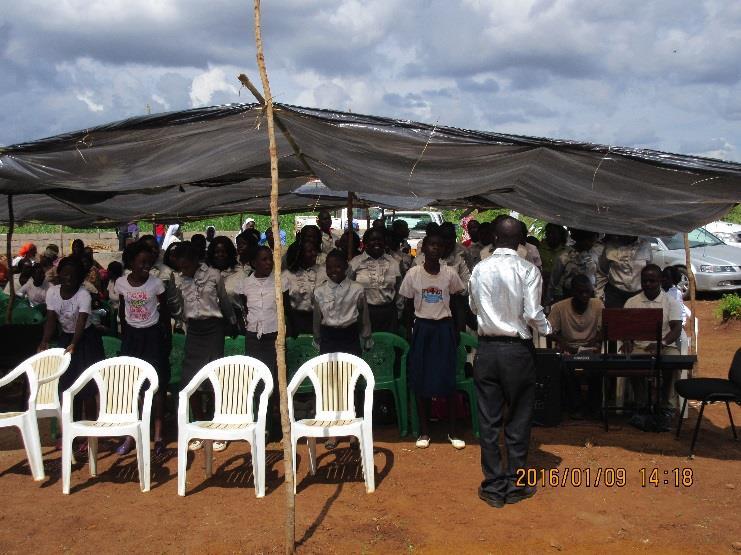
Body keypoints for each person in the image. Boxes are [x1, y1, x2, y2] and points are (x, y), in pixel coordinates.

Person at [469, 216, 551, 507]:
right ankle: (516, 484)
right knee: (519, 417)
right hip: (517, 351)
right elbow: (532, 313)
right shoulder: (528, 269)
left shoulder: (479, 269)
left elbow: (473, 306)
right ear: (521, 241)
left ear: (493, 237)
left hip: (487, 350)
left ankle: (493, 487)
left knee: (488, 420)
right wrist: (549, 329)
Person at [400, 230, 466, 451]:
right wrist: (411, 332)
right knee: (421, 378)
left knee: (447, 378)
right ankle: (424, 430)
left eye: (439, 245)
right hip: (423, 329)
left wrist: (457, 330)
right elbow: (408, 306)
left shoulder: (450, 274)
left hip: (444, 328)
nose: (435, 249)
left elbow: (457, 304)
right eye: (431, 245)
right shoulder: (413, 274)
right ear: (423, 249)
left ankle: (453, 430)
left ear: (444, 250)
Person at [172, 242, 236, 452]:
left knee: (215, 379)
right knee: (189, 381)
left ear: (194, 261)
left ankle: (219, 427)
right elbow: (180, 305)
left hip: (213, 329)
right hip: (194, 331)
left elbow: (224, 301)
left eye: (185, 265)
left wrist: (232, 321)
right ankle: (199, 425)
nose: (183, 270)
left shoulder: (214, 275)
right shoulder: (179, 278)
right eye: (179, 266)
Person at [39, 257, 105, 450]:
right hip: (66, 338)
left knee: (87, 388)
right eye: (65, 274)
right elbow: (51, 319)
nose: (69, 278)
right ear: (59, 274)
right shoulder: (52, 292)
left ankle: (90, 432)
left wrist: (75, 344)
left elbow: (81, 321)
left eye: (74, 275)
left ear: (80, 278)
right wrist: (44, 340)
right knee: (68, 386)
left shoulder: (83, 294)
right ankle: (71, 430)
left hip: (86, 339)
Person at [115, 241, 170, 456]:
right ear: (131, 263)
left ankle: (158, 436)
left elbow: (164, 313)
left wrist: (166, 339)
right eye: (141, 262)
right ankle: (133, 433)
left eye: (149, 262)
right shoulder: (121, 284)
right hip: (132, 337)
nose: (146, 266)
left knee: (156, 385)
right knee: (133, 385)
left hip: (153, 336)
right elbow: (122, 308)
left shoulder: (156, 284)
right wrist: (124, 334)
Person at [241, 246, 287, 440]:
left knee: (277, 382)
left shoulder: (279, 281)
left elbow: (287, 308)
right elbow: (243, 306)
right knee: (259, 382)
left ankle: (279, 424)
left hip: (274, 337)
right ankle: (263, 424)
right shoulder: (245, 284)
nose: (268, 263)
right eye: (263, 260)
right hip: (255, 338)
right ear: (253, 263)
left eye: (270, 259)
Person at [624, 264, 683, 408]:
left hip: (665, 346)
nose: (648, 284)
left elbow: (676, 329)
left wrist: (662, 343)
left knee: (673, 362)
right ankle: (641, 403)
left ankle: (667, 404)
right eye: (645, 281)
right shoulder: (632, 302)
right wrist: (626, 340)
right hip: (640, 347)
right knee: (632, 363)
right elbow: (624, 328)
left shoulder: (671, 302)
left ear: (660, 281)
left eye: (652, 281)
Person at [548, 274, 603, 418]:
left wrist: (595, 340)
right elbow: (548, 331)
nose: (585, 296)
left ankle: (594, 407)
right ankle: (575, 407)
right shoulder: (560, 307)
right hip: (569, 348)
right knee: (566, 367)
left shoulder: (597, 304)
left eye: (588, 292)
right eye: (581, 292)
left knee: (597, 366)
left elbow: (606, 328)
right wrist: (563, 343)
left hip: (590, 348)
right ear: (573, 292)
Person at [348, 227, 402, 333]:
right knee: (366, 345)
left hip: (388, 313)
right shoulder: (355, 262)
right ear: (365, 242)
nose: (376, 242)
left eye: (380, 239)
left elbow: (399, 289)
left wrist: (399, 312)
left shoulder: (394, 262)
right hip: (363, 312)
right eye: (372, 240)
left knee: (386, 345)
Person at [282, 237, 327, 337]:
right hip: (296, 321)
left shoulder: (324, 272)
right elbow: (284, 303)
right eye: (309, 251)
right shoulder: (287, 275)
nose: (314, 253)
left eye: (314, 250)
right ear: (299, 254)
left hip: (322, 319)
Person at [596, 235, 652, 308]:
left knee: (637, 319)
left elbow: (649, 270)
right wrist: (599, 296)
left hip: (639, 295)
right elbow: (601, 272)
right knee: (614, 319)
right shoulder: (611, 246)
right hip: (615, 295)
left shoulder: (645, 244)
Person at [547, 229, 599, 304]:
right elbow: (554, 281)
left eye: (594, 241)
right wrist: (550, 301)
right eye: (590, 241)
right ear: (581, 239)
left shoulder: (594, 256)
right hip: (568, 297)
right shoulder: (564, 257)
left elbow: (597, 278)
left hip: (590, 297)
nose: (592, 244)